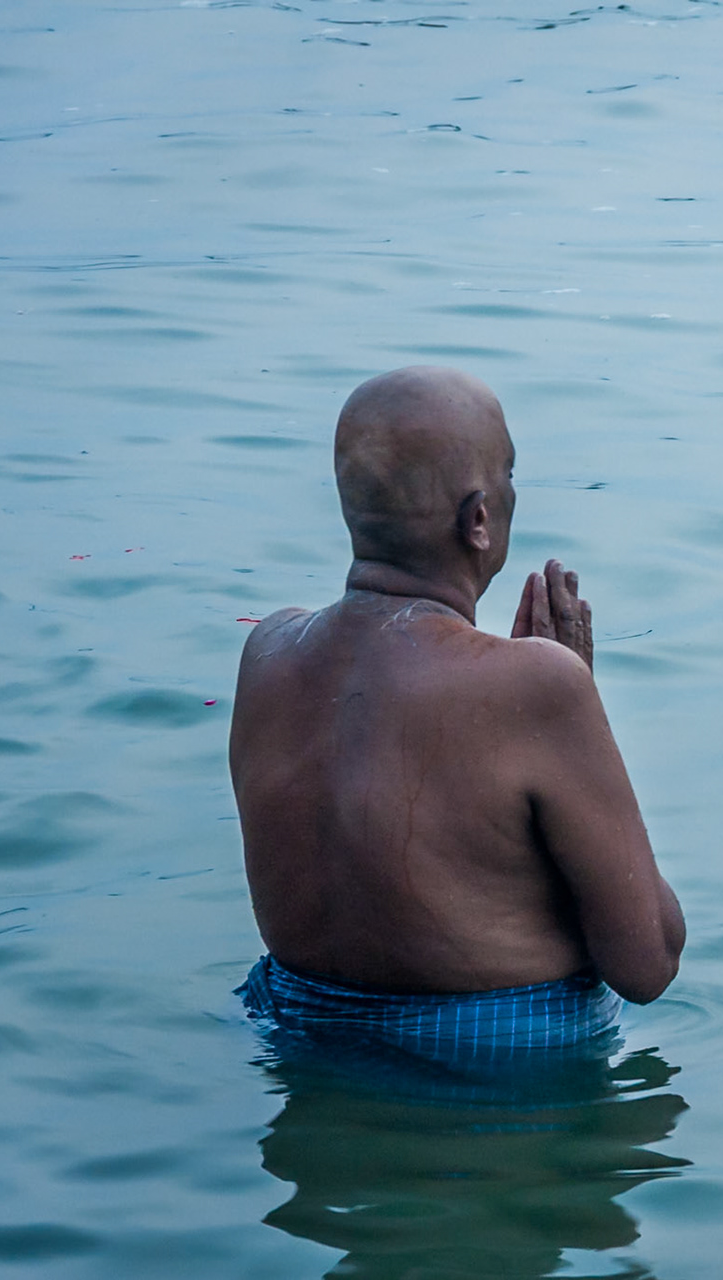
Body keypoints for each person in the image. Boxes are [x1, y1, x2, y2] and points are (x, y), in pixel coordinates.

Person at [230, 366, 683, 1064]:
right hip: (500, 1090)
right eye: (508, 475)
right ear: (478, 520)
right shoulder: (539, 688)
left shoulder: (267, 653)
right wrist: (572, 699)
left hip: (303, 1048)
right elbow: (648, 963)